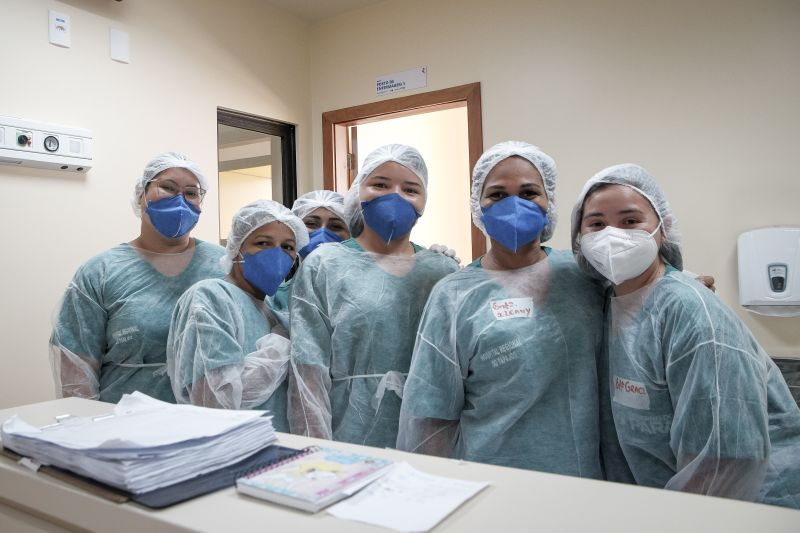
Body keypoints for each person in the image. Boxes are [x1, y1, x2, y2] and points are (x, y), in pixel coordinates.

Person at [571, 163, 800, 509]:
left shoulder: (693, 315)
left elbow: (726, 462)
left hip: (737, 511)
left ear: (663, 230)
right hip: (664, 507)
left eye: (631, 221)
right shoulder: (606, 302)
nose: (612, 235)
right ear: (580, 238)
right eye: (597, 224)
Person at [396, 141, 603, 477]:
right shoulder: (455, 294)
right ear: (477, 207)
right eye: (497, 194)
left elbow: (638, 295)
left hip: (582, 477)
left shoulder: (583, 275)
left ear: (549, 202)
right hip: (490, 474)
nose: (514, 205)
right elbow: (431, 413)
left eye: (529, 192)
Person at [288, 144, 460, 447]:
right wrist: (316, 449)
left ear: (423, 203)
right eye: (380, 184)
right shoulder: (325, 264)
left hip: (432, 435)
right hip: (347, 432)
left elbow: (455, 373)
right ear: (357, 193)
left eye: (410, 189)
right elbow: (308, 370)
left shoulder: (442, 271)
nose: (394, 196)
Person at [50, 152, 225, 403]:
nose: (180, 200)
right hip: (124, 426)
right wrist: (86, 427)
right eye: (167, 187)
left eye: (191, 192)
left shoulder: (223, 264)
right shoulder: (101, 271)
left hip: (214, 427)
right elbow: (77, 370)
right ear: (141, 195)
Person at [167, 200, 308, 430]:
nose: (278, 255)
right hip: (227, 447)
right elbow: (215, 401)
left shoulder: (273, 312)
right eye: (263, 243)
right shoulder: (211, 298)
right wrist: (279, 347)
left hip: (274, 446)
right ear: (236, 248)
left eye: (288, 247)